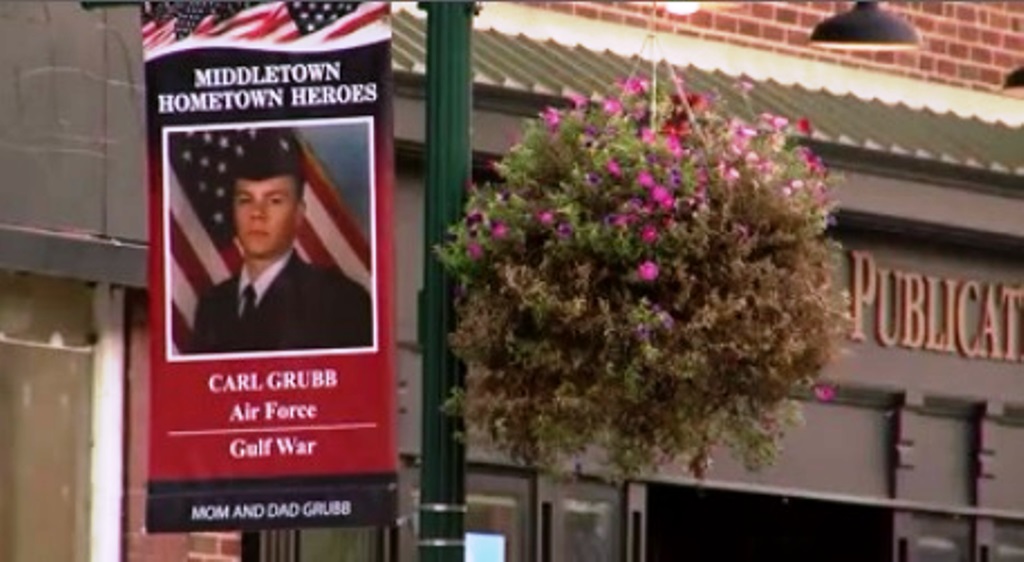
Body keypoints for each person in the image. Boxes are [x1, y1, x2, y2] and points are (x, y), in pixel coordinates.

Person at [187, 128, 373, 354]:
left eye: (274, 201)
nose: (257, 213)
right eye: (246, 200)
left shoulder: (340, 302)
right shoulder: (213, 306)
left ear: (298, 214)